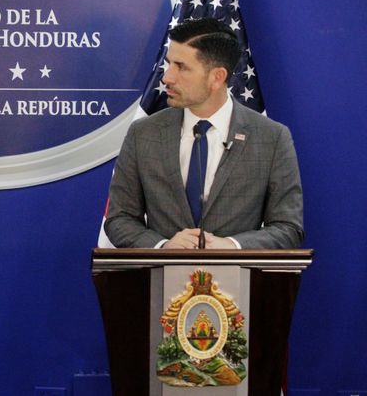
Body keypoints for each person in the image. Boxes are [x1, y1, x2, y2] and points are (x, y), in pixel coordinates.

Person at [104, 18, 303, 249]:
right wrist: (162, 246)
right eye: (169, 64)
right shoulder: (143, 133)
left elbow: (288, 228)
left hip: (238, 282)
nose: (167, 77)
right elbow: (119, 218)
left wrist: (231, 246)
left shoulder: (272, 138)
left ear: (217, 77)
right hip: (160, 280)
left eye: (181, 67)